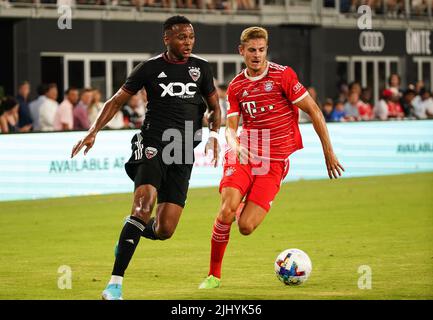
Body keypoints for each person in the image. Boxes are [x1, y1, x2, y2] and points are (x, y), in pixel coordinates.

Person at [70, 15, 221, 300]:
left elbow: (214, 107)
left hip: (183, 150)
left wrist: (214, 136)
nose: (187, 42)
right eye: (181, 37)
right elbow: (116, 100)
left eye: (191, 37)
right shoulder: (150, 68)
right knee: (142, 207)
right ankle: (114, 284)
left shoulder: (201, 68)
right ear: (167, 38)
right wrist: (92, 132)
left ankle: (131, 232)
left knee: (164, 230)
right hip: (153, 143)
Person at [198, 26, 344, 289]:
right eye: (251, 50)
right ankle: (213, 276)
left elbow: (313, 110)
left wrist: (328, 152)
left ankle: (248, 205)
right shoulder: (236, 86)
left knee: (245, 226)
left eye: (261, 50)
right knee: (226, 209)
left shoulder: (283, 76)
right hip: (244, 151)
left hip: (274, 161)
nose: (256, 55)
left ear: (266, 50)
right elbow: (230, 129)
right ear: (241, 51)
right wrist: (235, 145)